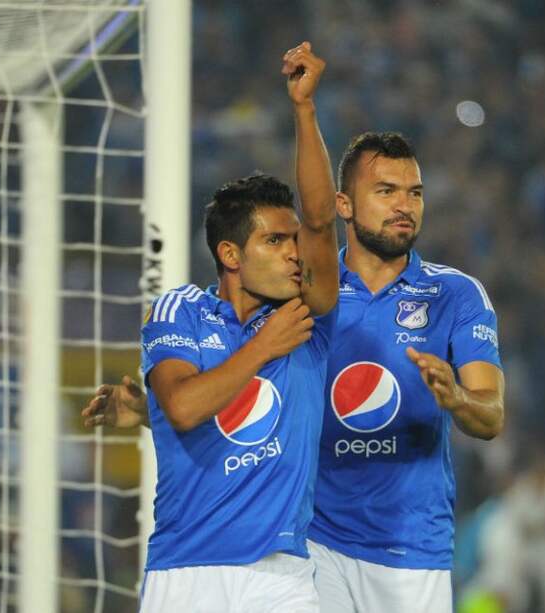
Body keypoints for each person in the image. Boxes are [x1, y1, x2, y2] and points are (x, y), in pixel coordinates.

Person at [85, 133, 506, 613]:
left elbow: (491, 416)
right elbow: (221, 406)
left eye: (415, 192)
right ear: (346, 202)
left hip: (409, 545)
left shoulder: (442, 296)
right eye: (386, 191)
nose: (404, 205)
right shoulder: (277, 308)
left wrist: (457, 399)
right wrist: (157, 412)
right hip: (311, 544)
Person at [131, 41, 338, 613]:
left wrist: (304, 109)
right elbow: (184, 406)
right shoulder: (180, 312)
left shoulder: (307, 319)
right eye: (275, 241)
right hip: (187, 572)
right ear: (230, 253)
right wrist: (261, 349)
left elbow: (321, 221)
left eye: (292, 240)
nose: (295, 253)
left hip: (282, 575)